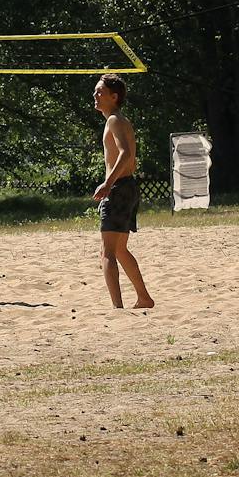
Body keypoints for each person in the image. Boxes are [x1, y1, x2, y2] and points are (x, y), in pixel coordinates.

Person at [92, 75, 154, 309]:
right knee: (119, 249)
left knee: (106, 251)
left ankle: (117, 308)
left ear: (114, 97)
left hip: (119, 188)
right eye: (95, 92)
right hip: (128, 187)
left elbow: (125, 153)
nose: (95, 96)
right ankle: (144, 298)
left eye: (100, 92)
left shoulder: (115, 121)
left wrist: (108, 183)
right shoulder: (119, 120)